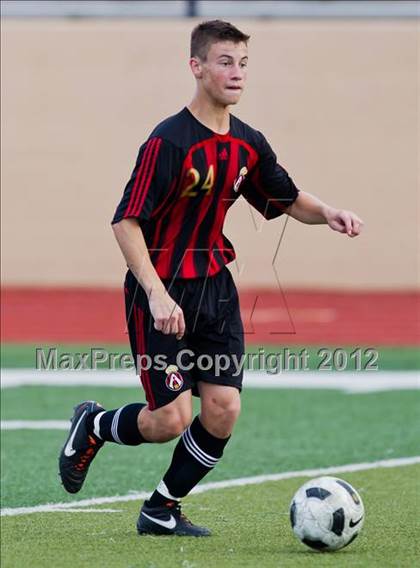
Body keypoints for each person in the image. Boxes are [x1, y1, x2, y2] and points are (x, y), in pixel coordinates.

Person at [59, 20, 363, 537]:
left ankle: (161, 509)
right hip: (162, 289)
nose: (237, 73)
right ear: (196, 67)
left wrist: (328, 212)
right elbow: (125, 220)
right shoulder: (168, 141)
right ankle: (94, 424)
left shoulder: (247, 143)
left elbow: (285, 197)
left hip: (214, 289)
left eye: (243, 63)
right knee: (169, 421)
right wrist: (155, 294)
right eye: (225, 62)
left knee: (223, 409)